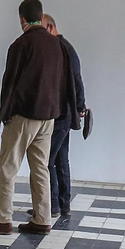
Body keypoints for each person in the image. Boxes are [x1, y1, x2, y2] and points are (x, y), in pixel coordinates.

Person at [0, 0, 70, 235]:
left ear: (21, 18)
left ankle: (2, 219)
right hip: (49, 117)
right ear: (40, 16)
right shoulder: (57, 45)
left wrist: (6, 114)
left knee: (6, 168)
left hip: (24, 116)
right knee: (41, 168)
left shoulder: (20, 45)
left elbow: (9, 83)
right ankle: (42, 220)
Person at [39, 13, 85, 221]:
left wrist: (80, 105)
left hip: (61, 114)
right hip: (65, 113)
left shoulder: (61, 49)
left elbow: (76, 79)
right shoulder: (65, 47)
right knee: (60, 159)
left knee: (47, 160)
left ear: (49, 28)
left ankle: (52, 205)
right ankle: (63, 204)